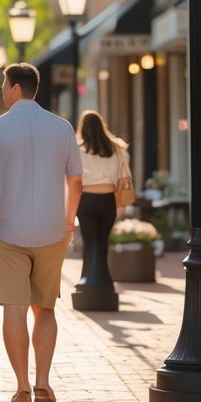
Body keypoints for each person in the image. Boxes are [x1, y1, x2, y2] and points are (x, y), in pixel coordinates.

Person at [0, 64, 83, 402]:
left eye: (4, 85)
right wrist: (68, 220)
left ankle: (21, 388)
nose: (1, 91)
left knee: (14, 308)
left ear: (16, 88)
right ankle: (43, 385)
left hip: (6, 231)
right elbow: (76, 181)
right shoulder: (62, 127)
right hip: (53, 230)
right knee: (46, 308)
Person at [75, 110, 129, 299]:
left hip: (86, 199)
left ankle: (87, 280)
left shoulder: (77, 148)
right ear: (102, 126)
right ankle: (105, 281)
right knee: (102, 241)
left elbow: (74, 178)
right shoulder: (117, 149)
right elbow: (123, 174)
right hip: (108, 199)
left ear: (83, 128)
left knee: (90, 242)